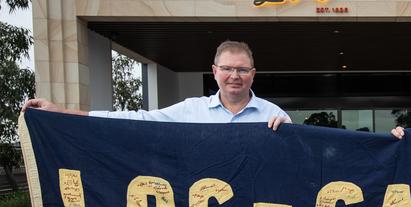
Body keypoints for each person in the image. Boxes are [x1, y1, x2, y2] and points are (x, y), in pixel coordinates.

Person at [22, 41, 290, 130]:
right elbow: (136, 120)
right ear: (214, 72)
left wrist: (287, 139)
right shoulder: (191, 110)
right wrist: (60, 113)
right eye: (228, 68)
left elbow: (300, 168)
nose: (235, 75)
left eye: (242, 69)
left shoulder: (275, 116)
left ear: (253, 74)